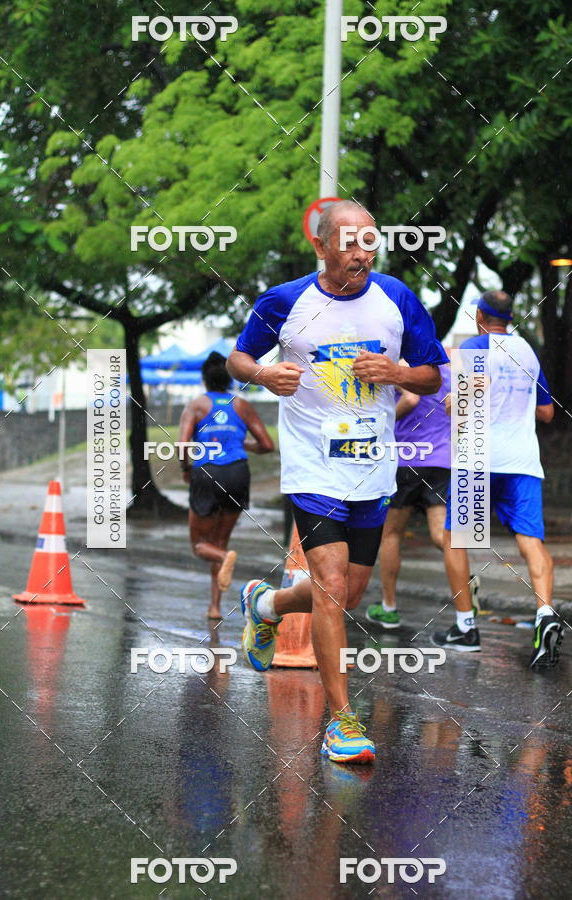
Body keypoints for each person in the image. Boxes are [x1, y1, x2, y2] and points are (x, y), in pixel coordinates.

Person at [227, 200, 448, 764]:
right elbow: (238, 358)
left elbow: (430, 374)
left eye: (369, 241)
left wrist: (397, 373)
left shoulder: (397, 299)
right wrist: (263, 373)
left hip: (374, 467)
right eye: (349, 242)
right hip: (312, 463)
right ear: (321, 246)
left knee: (347, 595)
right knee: (329, 585)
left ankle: (268, 603)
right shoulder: (285, 301)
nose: (360, 252)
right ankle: (342, 721)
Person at [431, 290, 560, 668]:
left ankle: (465, 627)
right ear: (509, 317)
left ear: (479, 316)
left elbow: (462, 405)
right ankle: (545, 615)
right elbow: (548, 413)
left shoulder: (473, 346)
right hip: (522, 461)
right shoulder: (527, 352)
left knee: (456, 539)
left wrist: (451, 401)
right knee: (531, 541)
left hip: (478, 458)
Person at [365, 360, 480, 629]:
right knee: (444, 534)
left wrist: (381, 430)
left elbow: (412, 399)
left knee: (391, 533)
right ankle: (466, 576)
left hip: (407, 460)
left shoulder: (403, 367)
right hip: (441, 461)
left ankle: (389, 608)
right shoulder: (448, 373)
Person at [178, 351, 274, 619]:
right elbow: (267, 445)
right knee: (221, 541)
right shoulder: (242, 405)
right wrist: (240, 444)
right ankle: (214, 607)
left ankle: (222, 562)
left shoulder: (196, 405)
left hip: (207, 473)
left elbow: (183, 445)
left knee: (201, 545)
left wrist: (186, 469)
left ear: (204, 379)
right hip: (237, 473)